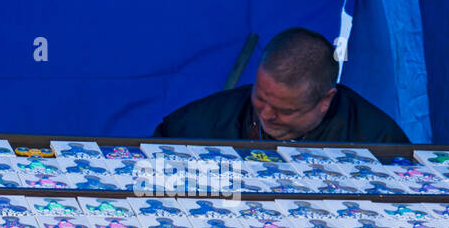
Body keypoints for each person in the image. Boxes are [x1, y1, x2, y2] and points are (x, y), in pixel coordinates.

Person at [153, 27, 409, 143]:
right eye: (260, 98)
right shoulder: (200, 125)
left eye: (285, 110)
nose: (265, 114)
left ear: (325, 101)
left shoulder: (378, 141)